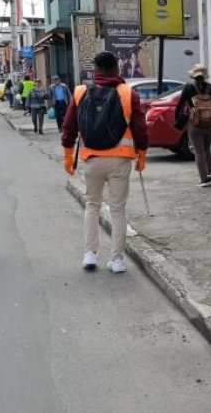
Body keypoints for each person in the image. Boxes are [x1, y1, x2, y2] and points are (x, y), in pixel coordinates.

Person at [60, 51, 148, 274]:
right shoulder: (128, 94)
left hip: (92, 159)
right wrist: (142, 155)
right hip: (120, 160)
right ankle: (117, 260)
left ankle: (90, 255)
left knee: (92, 205)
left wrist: (68, 156)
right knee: (118, 210)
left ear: (95, 70)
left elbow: (69, 127)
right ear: (117, 69)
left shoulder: (80, 92)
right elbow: (140, 128)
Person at [174, 64, 211, 187]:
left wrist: (177, 119)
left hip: (194, 124)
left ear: (193, 76)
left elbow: (179, 105)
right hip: (210, 124)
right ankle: (209, 173)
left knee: (199, 152)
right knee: (207, 149)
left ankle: (203, 179)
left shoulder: (189, 88)